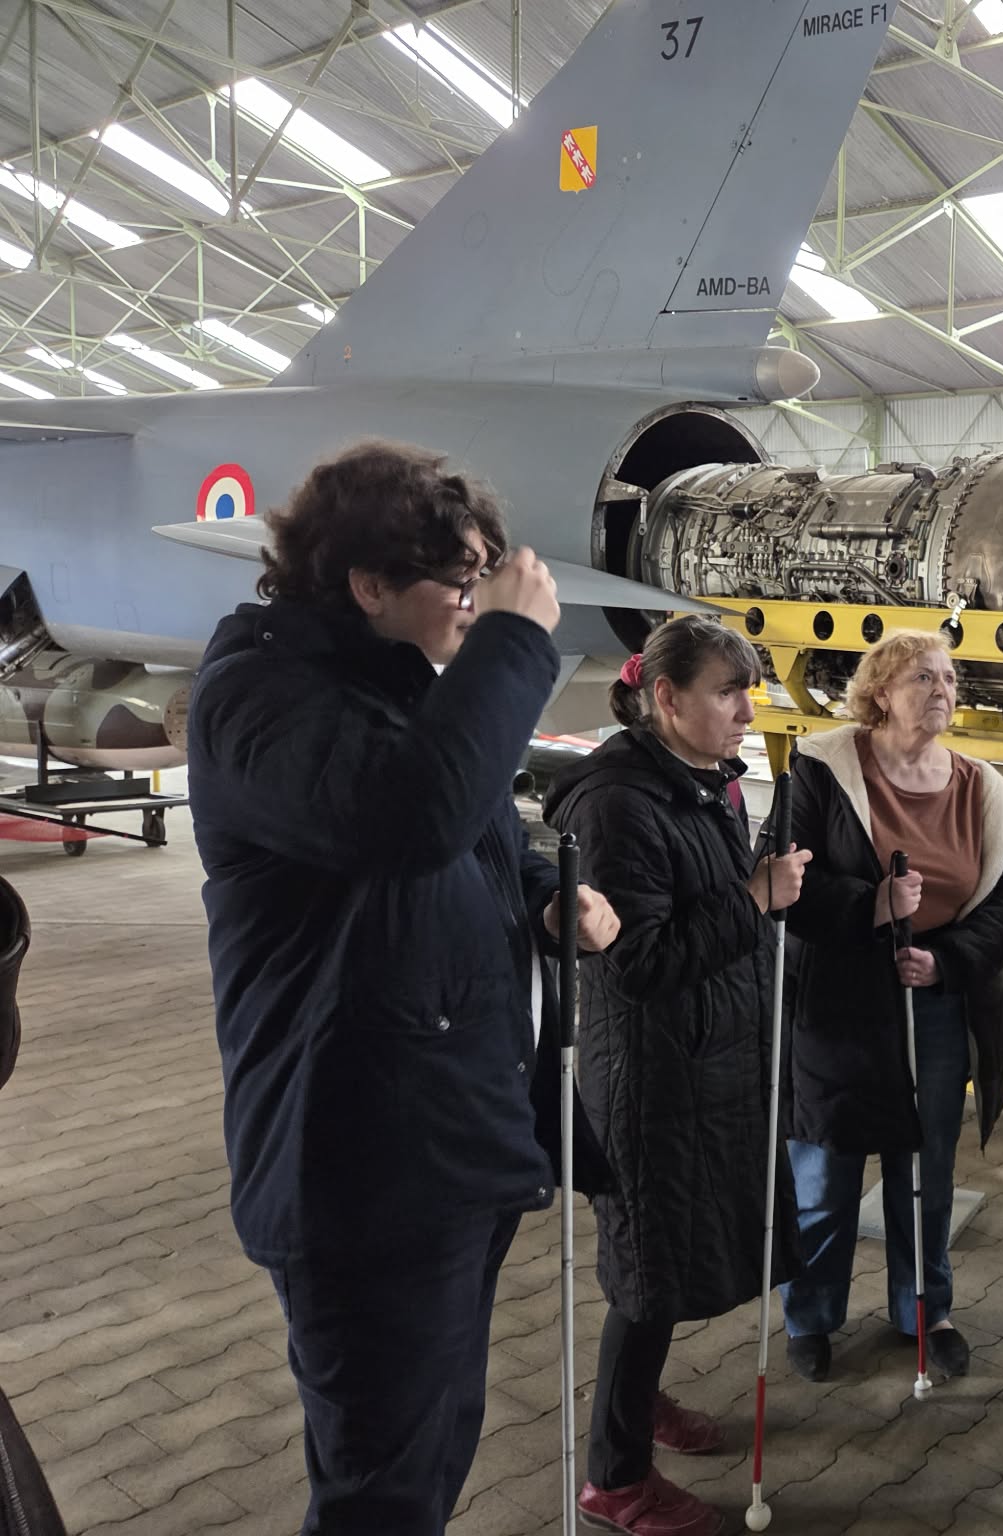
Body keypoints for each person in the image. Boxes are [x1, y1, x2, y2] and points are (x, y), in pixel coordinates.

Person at [185, 440, 622, 1534]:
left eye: (485, 580)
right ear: (369, 583)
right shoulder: (261, 700)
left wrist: (539, 895)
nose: (478, 602)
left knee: (428, 1455)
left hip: (445, 1149)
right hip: (359, 1168)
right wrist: (519, 640)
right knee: (381, 1489)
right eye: (460, 584)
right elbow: (409, 813)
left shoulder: (386, 691)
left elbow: (470, 827)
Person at [542, 617, 810, 1536]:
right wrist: (755, 898)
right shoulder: (617, 805)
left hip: (707, 1065)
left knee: (666, 1265)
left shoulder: (705, 783)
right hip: (651, 1081)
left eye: (749, 688)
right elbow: (638, 962)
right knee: (644, 1275)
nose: (747, 710)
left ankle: (638, 1402)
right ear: (666, 698)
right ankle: (613, 1479)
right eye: (728, 692)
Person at [776, 630, 1003, 1383]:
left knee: (925, 1174)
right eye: (923, 675)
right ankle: (811, 1315)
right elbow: (781, 881)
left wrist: (947, 959)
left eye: (951, 678)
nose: (943, 689)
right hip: (839, 1003)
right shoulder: (824, 769)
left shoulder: (981, 787)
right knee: (826, 1173)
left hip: (938, 1003)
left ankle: (925, 1310)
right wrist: (872, 904)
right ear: (880, 690)